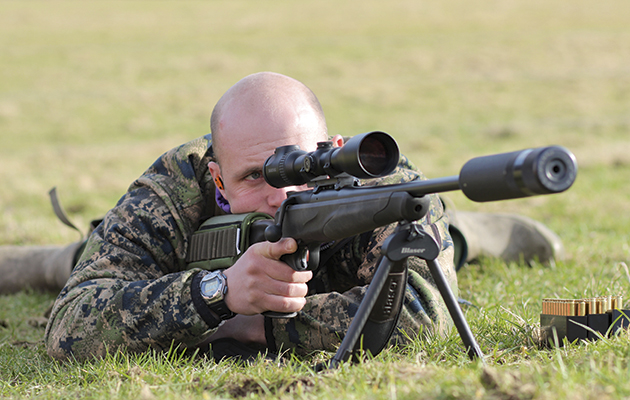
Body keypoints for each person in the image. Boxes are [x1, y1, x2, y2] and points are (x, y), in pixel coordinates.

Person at [0, 72, 563, 361]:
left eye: (299, 167)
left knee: (442, 235)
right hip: (193, 256)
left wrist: (254, 322)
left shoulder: (384, 180)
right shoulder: (178, 181)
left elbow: (423, 316)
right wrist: (216, 292)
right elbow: (71, 325)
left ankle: (473, 231)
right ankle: (50, 257)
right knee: (89, 258)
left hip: (364, 256)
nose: (281, 194)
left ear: (333, 147)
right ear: (219, 177)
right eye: (254, 178)